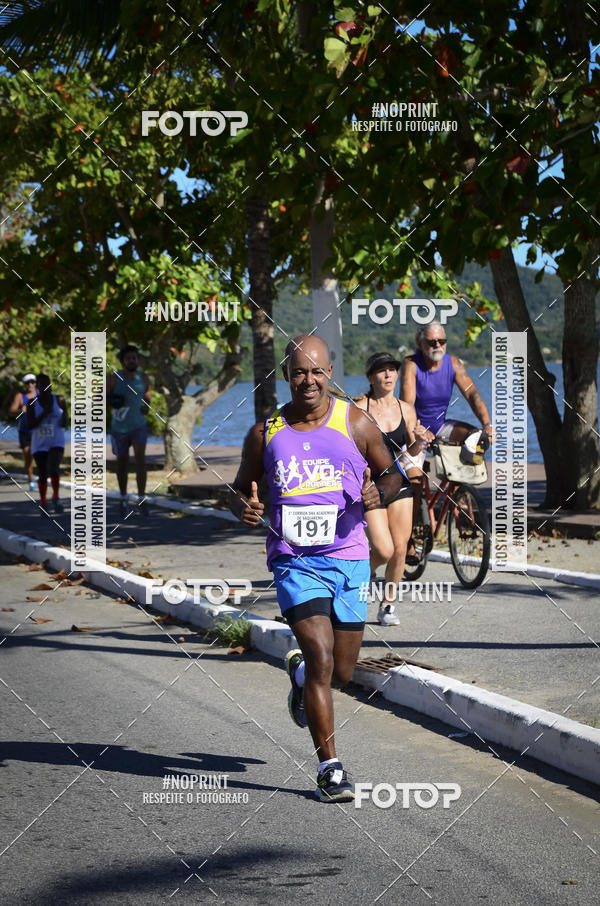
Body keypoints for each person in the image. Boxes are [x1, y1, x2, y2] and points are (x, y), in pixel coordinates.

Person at [230, 335, 405, 803]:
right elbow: (239, 487)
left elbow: (393, 474)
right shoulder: (266, 432)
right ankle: (330, 769)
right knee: (322, 656)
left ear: (330, 375)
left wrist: (378, 495)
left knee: (342, 672)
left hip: (348, 559)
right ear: (287, 376)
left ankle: (302, 678)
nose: (309, 381)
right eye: (299, 372)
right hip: (294, 562)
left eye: (317, 372)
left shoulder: (355, 422)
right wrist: (243, 507)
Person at [400, 322, 495, 538]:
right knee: (415, 482)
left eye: (441, 341)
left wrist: (487, 425)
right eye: (431, 341)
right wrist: (418, 430)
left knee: (476, 437)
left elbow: (472, 395)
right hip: (414, 429)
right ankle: (409, 538)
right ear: (419, 343)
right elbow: (408, 403)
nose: (437, 345)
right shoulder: (411, 364)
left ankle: (461, 492)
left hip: (440, 426)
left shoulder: (452, 363)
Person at [355, 352, 428, 626]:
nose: (388, 375)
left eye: (392, 370)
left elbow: (410, 451)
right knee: (382, 550)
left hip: (397, 481)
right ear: (371, 377)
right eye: (381, 370)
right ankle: (360, 574)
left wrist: (419, 442)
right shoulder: (359, 408)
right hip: (371, 485)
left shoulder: (406, 409)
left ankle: (387, 605)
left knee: (400, 548)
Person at [107, 345, 151, 514]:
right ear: (123, 361)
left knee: (141, 460)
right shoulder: (113, 378)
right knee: (122, 463)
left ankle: (141, 498)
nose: (132, 361)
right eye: (128, 358)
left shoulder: (144, 378)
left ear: (137, 360)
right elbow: (101, 399)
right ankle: (123, 497)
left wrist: (147, 405)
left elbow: (147, 393)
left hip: (139, 425)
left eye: (134, 358)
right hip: (120, 428)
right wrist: (115, 401)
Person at [26, 373, 67, 515]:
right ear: (38, 387)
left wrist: (63, 419)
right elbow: (29, 424)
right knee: (43, 473)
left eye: (48, 384)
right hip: (39, 444)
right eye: (42, 385)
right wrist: (44, 414)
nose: (46, 387)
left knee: (53, 468)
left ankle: (56, 496)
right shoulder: (31, 403)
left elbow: (65, 420)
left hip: (56, 441)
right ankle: (43, 501)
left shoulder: (60, 400)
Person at [9, 374, 39, 490]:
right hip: (25, 431)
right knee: (28, 457)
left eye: (32, 382)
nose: (30, 384)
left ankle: (42, 479)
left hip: (38, 431)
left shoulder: (41, 394)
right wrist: (20, 410)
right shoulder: (20, 396)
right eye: (28, 382)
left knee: (40, 456)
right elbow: (11, 411)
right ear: (25, 384)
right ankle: (31, 480)